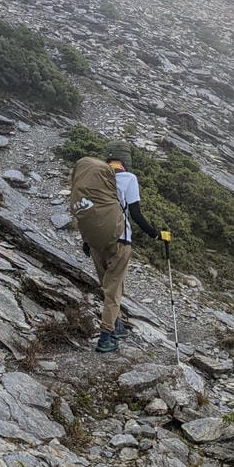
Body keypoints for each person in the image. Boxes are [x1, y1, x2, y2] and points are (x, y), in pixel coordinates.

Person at [69, 141, 159, 353]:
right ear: (125, 159)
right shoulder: (129, 178)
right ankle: (105, 338)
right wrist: (155, 234)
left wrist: (86, 241)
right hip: (120, 241)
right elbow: (135, 213)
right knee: (114, 292)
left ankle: (117, 325)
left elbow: (91, 213)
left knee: (108, 287)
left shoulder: (97, 179)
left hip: (95, 243)